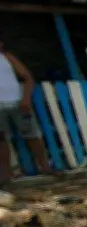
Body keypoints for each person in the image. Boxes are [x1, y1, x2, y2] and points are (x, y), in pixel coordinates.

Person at [0, 36, 56, 183]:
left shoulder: (7, 57)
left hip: (17, 102)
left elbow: (28, 78)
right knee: (1, 139)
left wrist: (25, 98)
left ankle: (44, 166)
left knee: (32, 135)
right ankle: (6, 174)